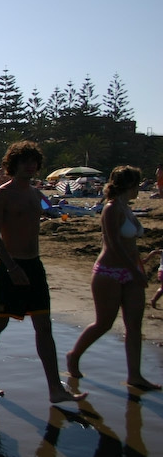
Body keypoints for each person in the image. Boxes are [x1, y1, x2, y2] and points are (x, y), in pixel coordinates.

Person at [0, 141, 86, 402]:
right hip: (8, 265)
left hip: (34, 265)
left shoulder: (36, 194)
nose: (30, 166)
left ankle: (55, 389)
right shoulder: (1, 194)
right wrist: (12, 266)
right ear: (13, 164)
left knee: (44, 327)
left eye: (33, 162)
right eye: (24, 161)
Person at [66, 166, 160, 389]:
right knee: (104, 323)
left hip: (131, 271)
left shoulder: (127, 208)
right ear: (128, 185)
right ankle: (74, 355)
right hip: (109, 272)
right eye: (136, 184)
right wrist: (134, 271)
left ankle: (135, 375)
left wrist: (139, 268)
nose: (139, 188)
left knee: (134, 325)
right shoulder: (111, 209)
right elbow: (114, 245)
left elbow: (131, 246)